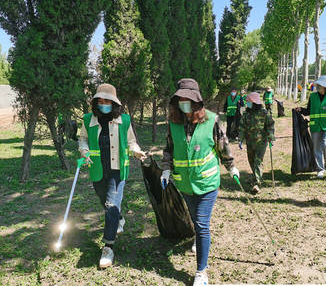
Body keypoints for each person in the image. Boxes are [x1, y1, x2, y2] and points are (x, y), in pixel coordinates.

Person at [161, 78, 239, 286]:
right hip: (185, 184)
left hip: (207, 184)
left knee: (202, 224)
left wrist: (231, 167)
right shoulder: (173, 123)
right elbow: (169, 148)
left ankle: (201, 272)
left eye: (188, 99)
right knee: (196, 221)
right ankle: (198, 238)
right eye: (180, 99)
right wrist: (166, 170)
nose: (183, 102)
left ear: (196, 101)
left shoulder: (212, 120)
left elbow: (223, 146)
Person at [79, 83, 146, 268]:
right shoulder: (88, 119)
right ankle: (119, 218)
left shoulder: (124, 120)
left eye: (107, 101)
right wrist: (83, 151)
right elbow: (83, 138)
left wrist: (137, 152)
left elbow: (132, 142)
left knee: (110, 206)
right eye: (99, 101)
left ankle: (108, 247)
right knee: (105, 203)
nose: (103, 104)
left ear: (114, 103)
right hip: (98, 171)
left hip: (117, 171)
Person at [295, 75, 326, 179]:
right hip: (315, 126)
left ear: (325, 86)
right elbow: (309, 111)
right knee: (316, 148)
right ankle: (320, 169)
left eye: (319, 85)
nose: (317, 87)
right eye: (317, 85)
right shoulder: (313, 96)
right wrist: (301, 110)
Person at [238, 92, 275, 194]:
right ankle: (256, 177)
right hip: (250, 142)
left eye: (248, 101)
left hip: (261, 142)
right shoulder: (246, 114)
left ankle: (257, 183)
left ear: (254, 102)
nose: (247, 103)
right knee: (251, 161)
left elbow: (270, 125)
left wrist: (271, 138)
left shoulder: (264, 113)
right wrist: (240, 139)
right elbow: (242, 127)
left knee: (258, 162)